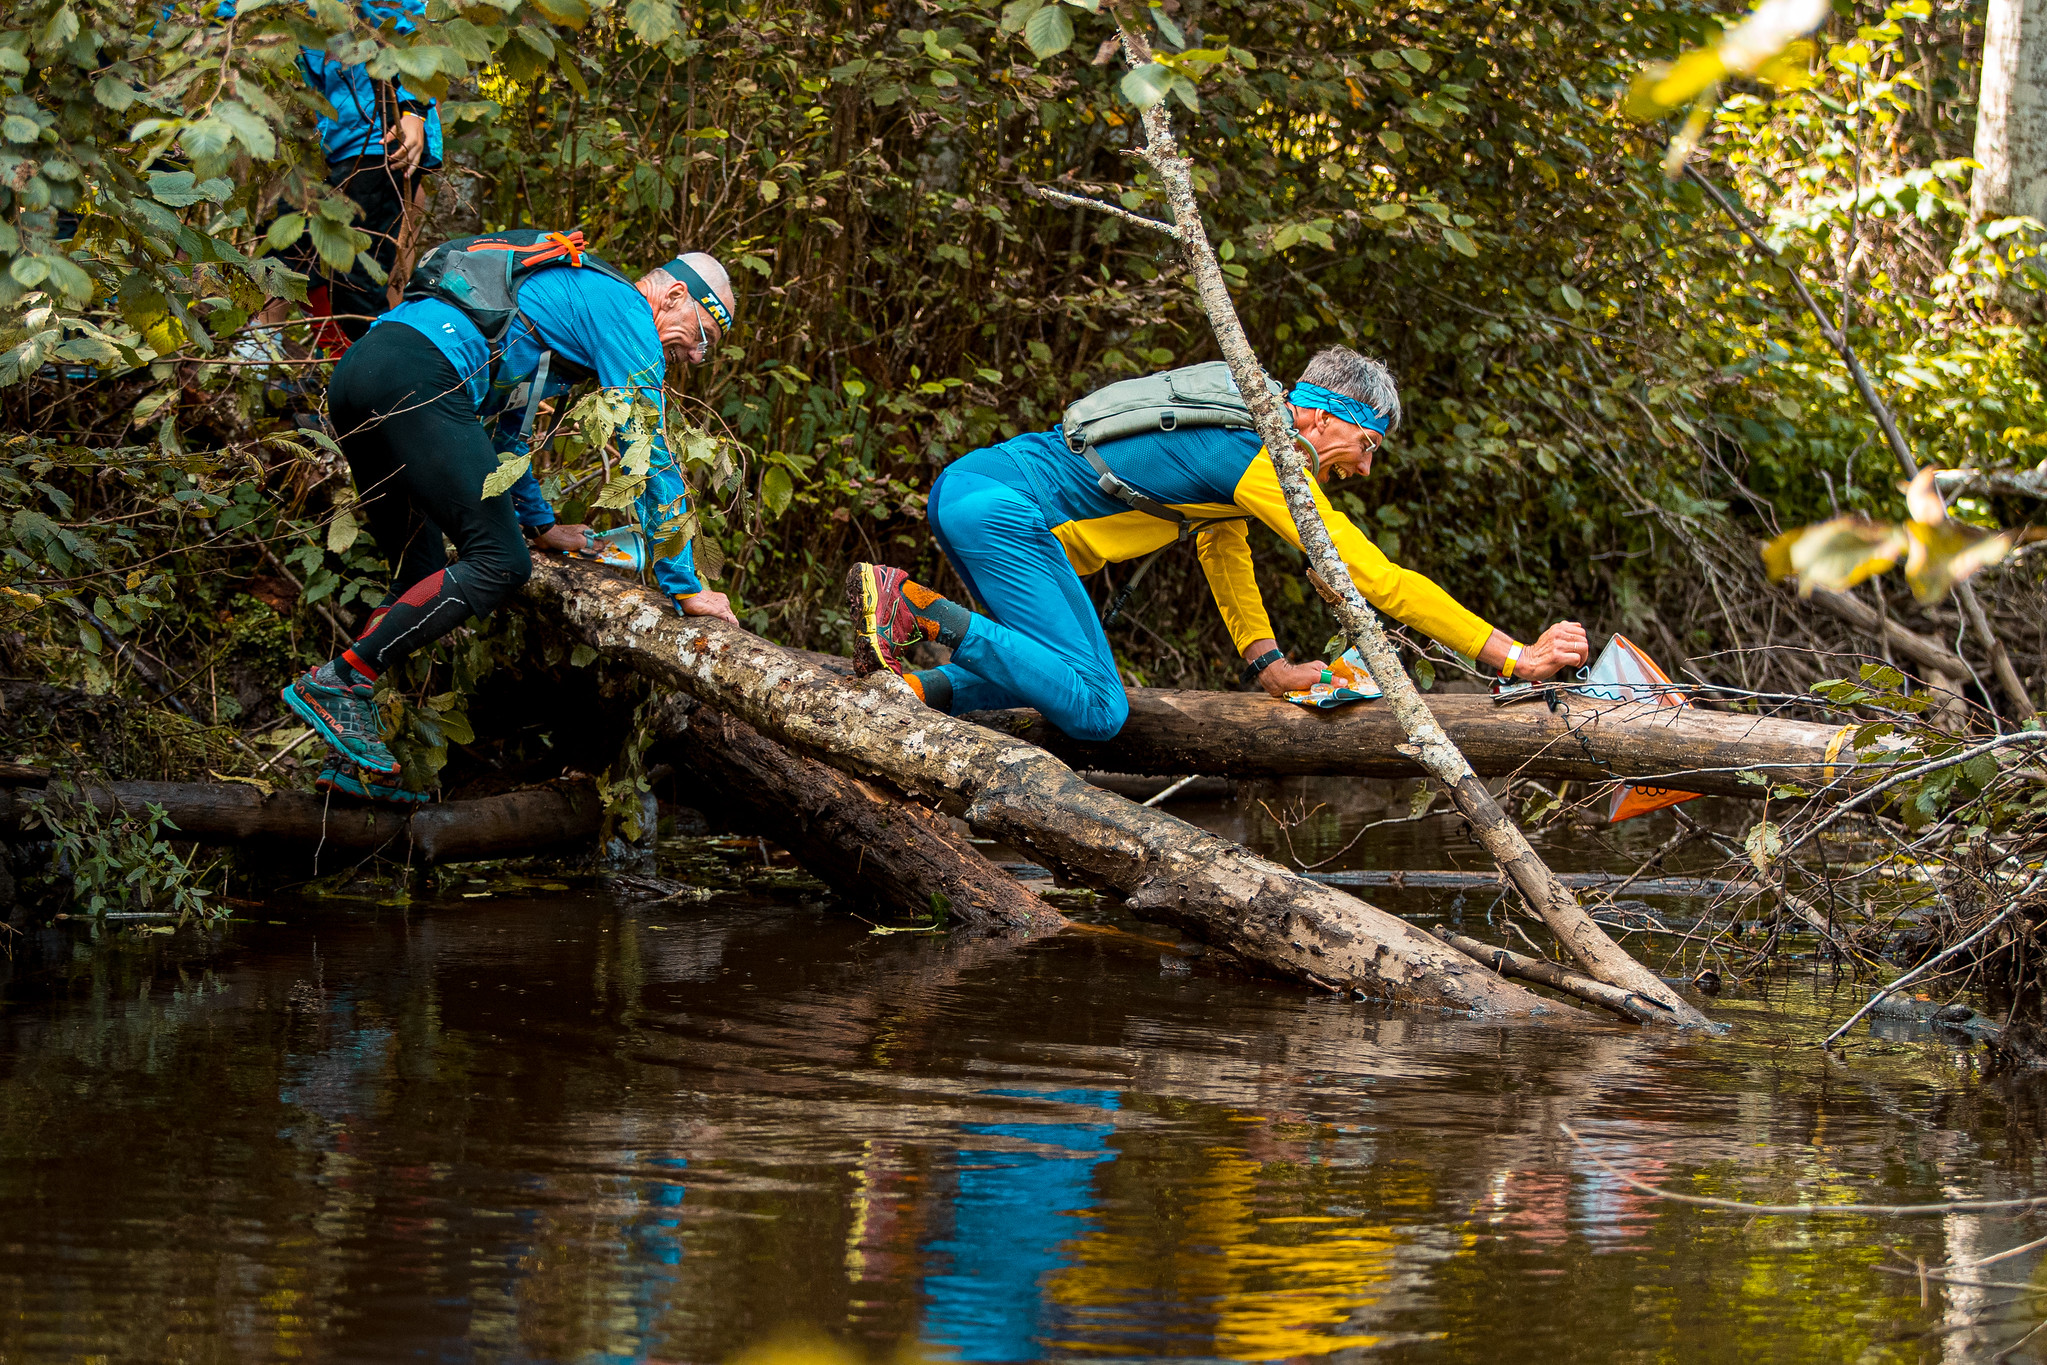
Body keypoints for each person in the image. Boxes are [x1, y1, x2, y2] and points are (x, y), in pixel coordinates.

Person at [846, 346, 1589, 741]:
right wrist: (1513, 656)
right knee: (1100, 708)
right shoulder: (1263, 454)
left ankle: (910, 691)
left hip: (977, 492)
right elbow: (1379, 579)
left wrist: (1266, 665)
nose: (1363, 468)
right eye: (1365, 446)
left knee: (1046, 671)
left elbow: (1220, 548)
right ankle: (912, 607)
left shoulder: (1243, 436)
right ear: (1322, 419)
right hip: (1003, 511)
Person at [281, 241, 742, 799]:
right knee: (500, 562)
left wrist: (542, 525)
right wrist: (686, 586)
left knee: (417, 571)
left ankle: (346, 762)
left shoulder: (562, 307)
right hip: (418, 374)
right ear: (673, 296)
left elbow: (505, 436)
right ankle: (344, 681)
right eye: (706, 337)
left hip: (362, 372)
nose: (697, 357)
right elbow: (645, 447)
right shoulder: (624, 308)